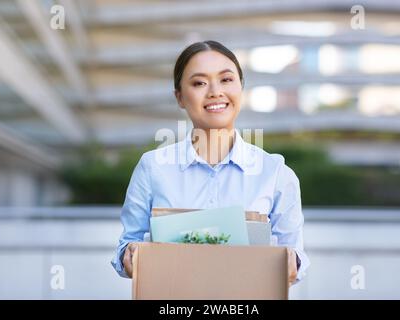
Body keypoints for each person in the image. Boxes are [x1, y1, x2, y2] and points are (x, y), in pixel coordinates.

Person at [111, 40, 309, 285]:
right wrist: (129, 253)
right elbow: (125, 247)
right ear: (180, 97)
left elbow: (296, 257)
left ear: (241, 88)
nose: (215, 91)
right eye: (199, 83)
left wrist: (292, 261)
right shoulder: (153, 168)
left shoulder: (276, 173)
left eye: (226, 79)